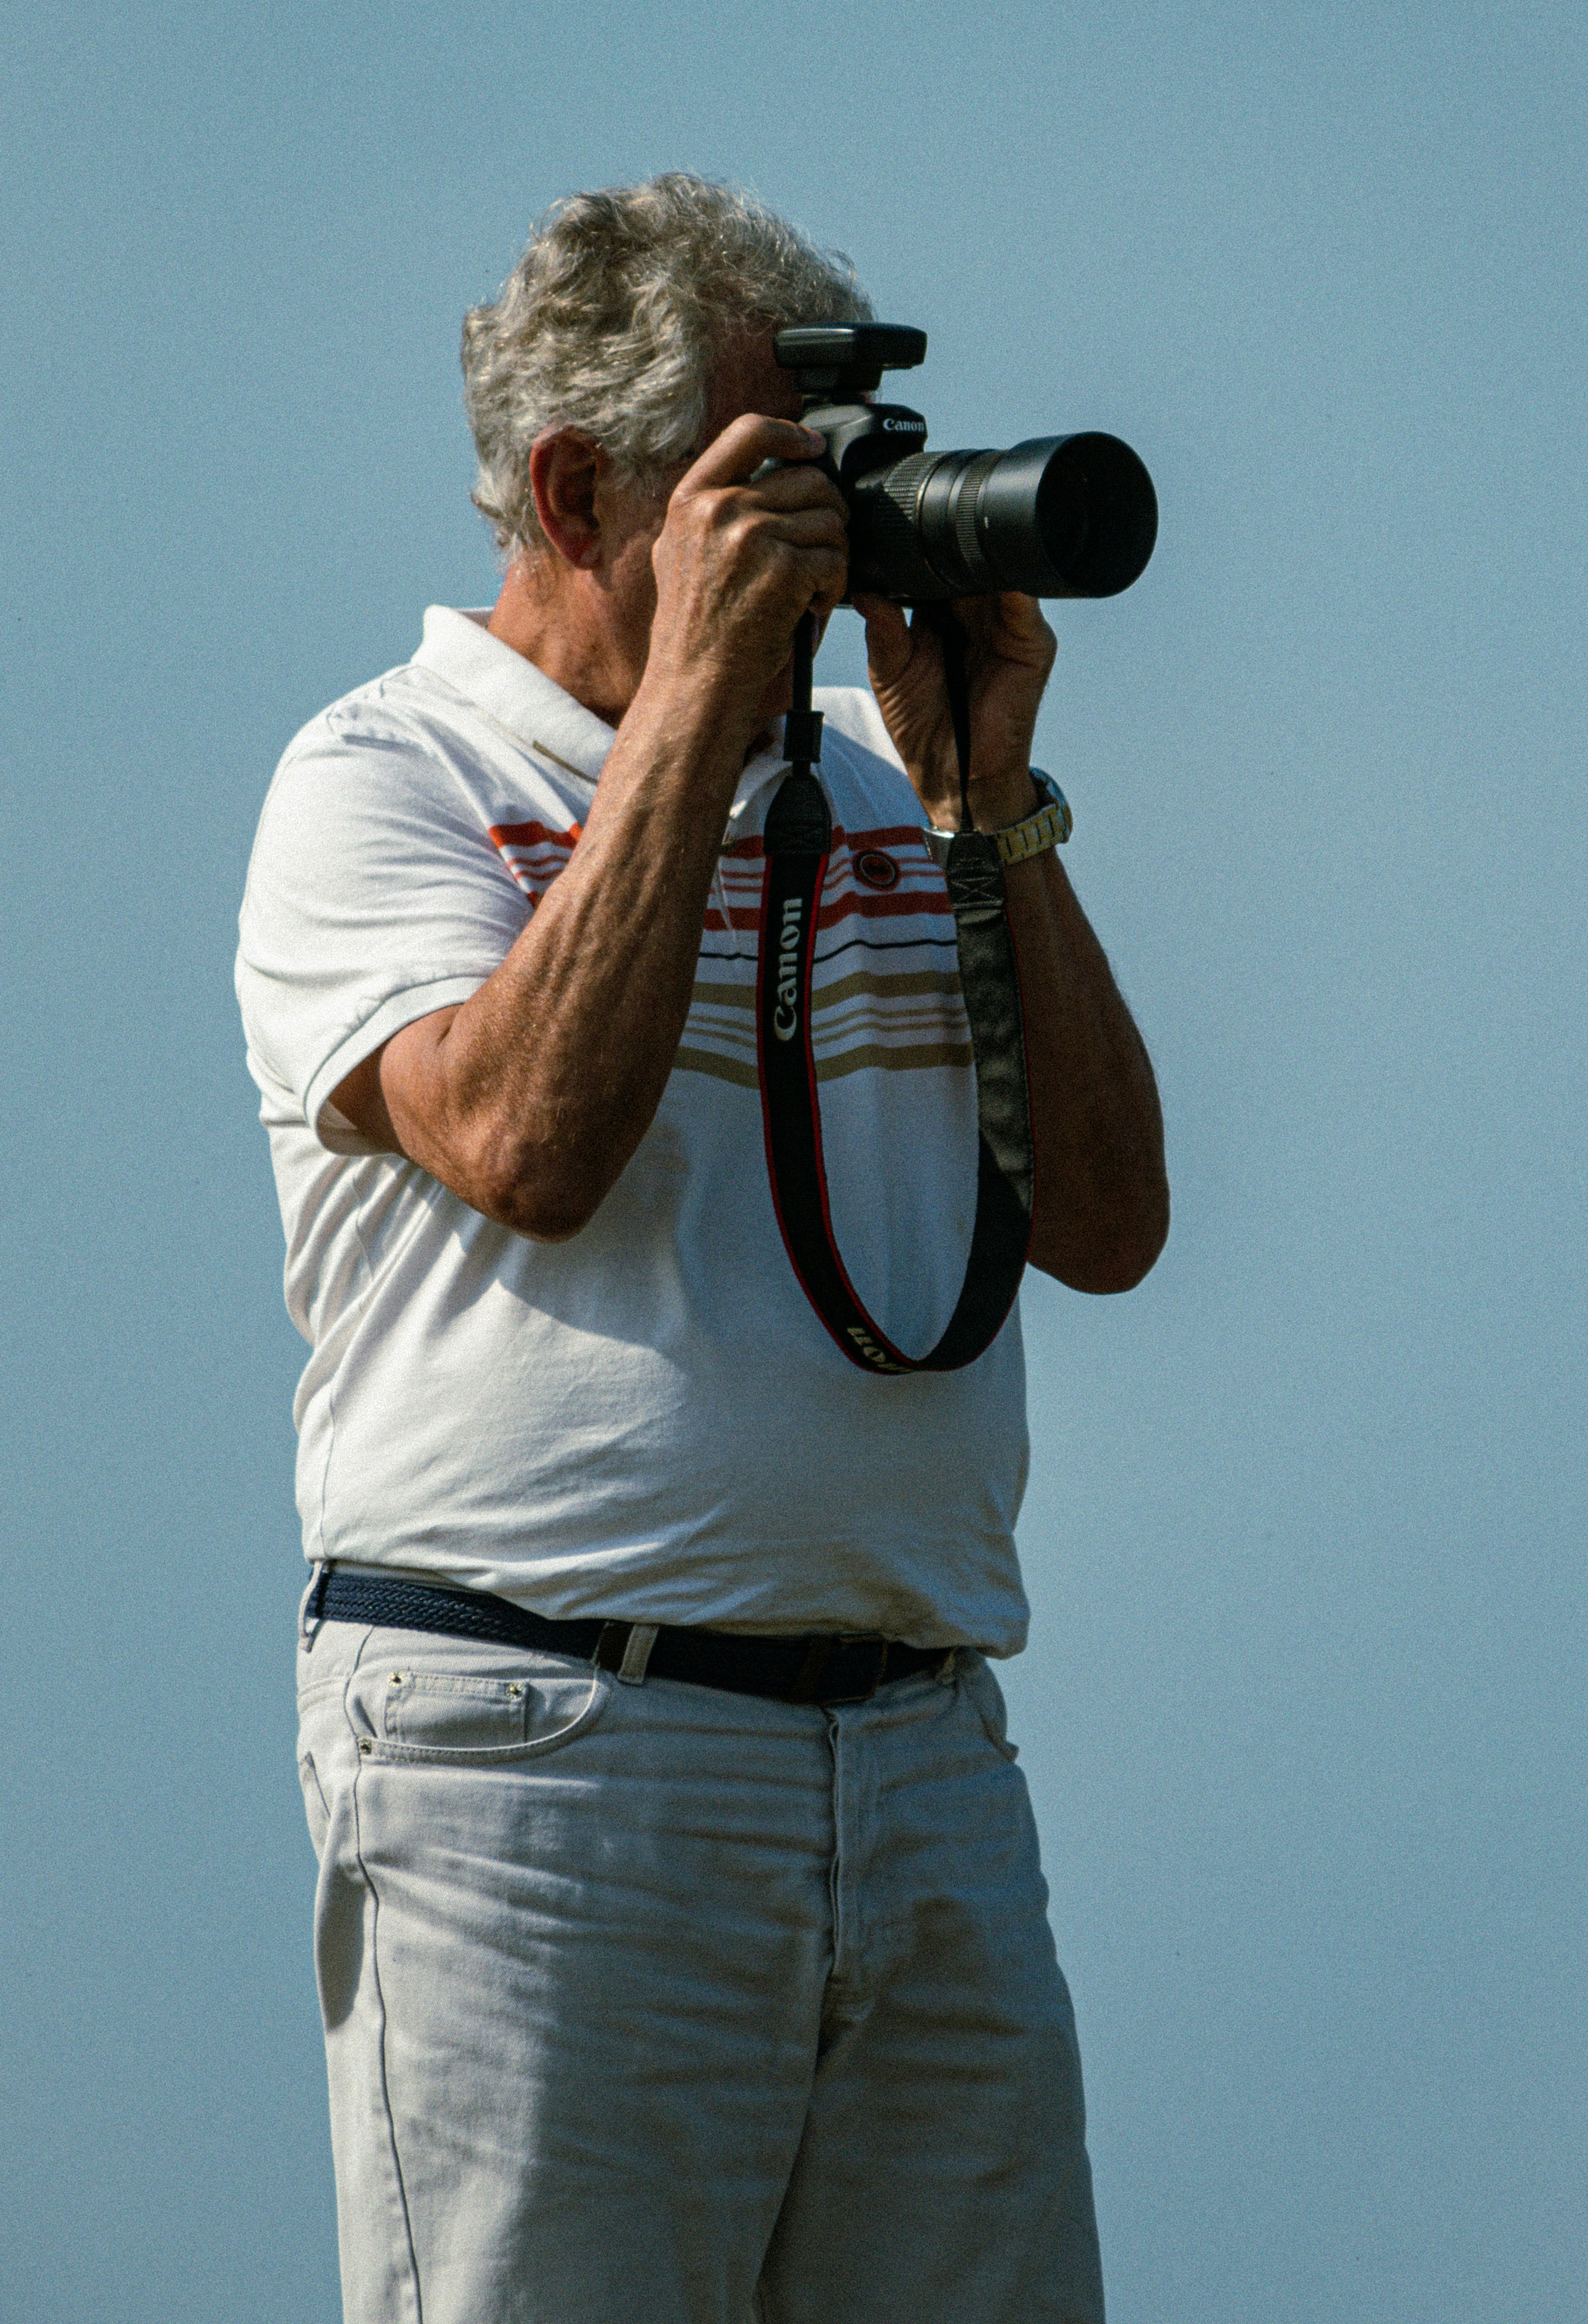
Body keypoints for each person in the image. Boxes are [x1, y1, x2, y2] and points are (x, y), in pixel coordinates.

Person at [236, 175, 1169, 2324]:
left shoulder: (876, 789)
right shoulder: (382, 781)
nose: (834, 551)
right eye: (766, 489)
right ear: (577, 490)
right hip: (544, 1769)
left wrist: (984, 800)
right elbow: (530, 1143)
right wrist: (688, 732)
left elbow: (1109, 1224)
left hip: (924, 1758)